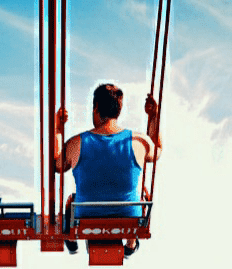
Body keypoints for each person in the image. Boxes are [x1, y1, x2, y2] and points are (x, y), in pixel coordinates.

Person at [54, 83, 161, 257]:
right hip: (128, 216)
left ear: (96, 108)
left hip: (86, 216)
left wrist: (58, 127)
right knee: (140, 196)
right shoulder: (139, 142)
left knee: (70, 202)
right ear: (118, 110)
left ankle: (72, 241)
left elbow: (57, 165)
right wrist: (153, 116)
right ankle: (131, 243)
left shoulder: (76, 143)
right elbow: (158, 150)